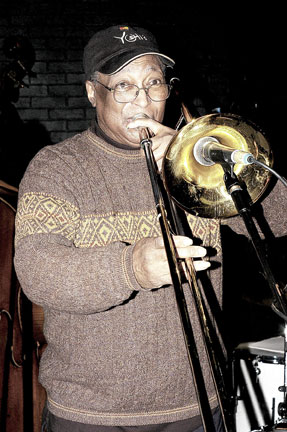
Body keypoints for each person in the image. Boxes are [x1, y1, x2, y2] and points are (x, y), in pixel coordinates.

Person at [13, 24, 286, 432]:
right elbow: (37, 270)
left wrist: (198, 160)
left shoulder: (194, 160)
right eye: (123, 86)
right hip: (93, 415)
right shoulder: (57, 167)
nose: (142, 101)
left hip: (202, 402)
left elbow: (278, 220)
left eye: (153, 82)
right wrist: (131, 267)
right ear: (93, 92)